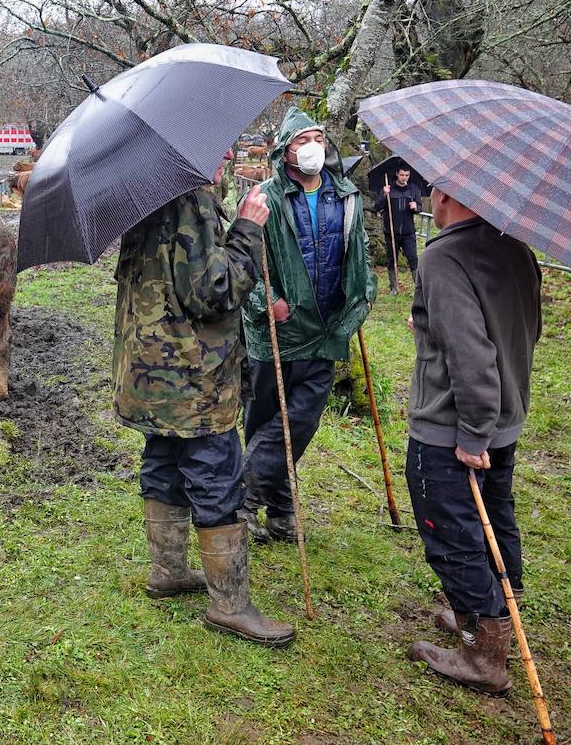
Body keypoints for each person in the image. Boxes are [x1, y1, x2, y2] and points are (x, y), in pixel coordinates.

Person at [114, 152, 296, 647]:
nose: (230, 156)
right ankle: (230, 605)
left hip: (151, 372)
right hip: (192, 377)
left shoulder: (147, 199)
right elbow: (212, 293)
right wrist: (247, 229)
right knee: (216, 473)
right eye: (221, 149)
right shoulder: (190, 202)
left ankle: (167, 571)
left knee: (164, 460)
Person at [405, 188, 542, 697]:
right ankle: (489, 614)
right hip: (506, 417)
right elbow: (523, 328)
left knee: (453, 529)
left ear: (444, 196)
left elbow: (470, 351)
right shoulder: (517, 248)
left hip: (454, 428)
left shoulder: (443, 256)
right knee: (495, 514)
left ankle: (485, 654)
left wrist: (471, 434)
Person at [239, 108, 376, 544]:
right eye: (302, 140)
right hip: (274, 330)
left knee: (299, 421)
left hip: (325, 329)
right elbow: (241, 259)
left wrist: (361, 298)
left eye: (318, 137)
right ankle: (279, 508)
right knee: (264, 419)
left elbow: (361, 257)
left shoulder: (346, 196)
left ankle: (239, 498)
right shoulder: (265, 197)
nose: (312, 146)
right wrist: (268, 301)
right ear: (285, 148)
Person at [376, 164, 423, 293]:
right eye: (402, 175)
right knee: (392, 259)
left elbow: (420, 208)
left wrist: (416, 207)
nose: (404, 178)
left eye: (407, 175)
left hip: (408, 232)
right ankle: (393, 287)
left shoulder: (413, 189)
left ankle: (419, 289)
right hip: (391, 232)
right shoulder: (388, 189)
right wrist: (384, 196)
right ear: (397, 174)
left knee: (413, 259)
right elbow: (377, 206)